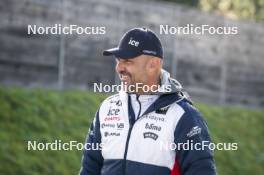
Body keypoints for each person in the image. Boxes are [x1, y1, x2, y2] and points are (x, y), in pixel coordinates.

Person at [80, 28, 216, 175]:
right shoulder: (107, 108)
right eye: (118, 60)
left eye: (127, 61)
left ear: (153, 64)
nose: (119, 68)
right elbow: (89, 169)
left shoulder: (184, 116)